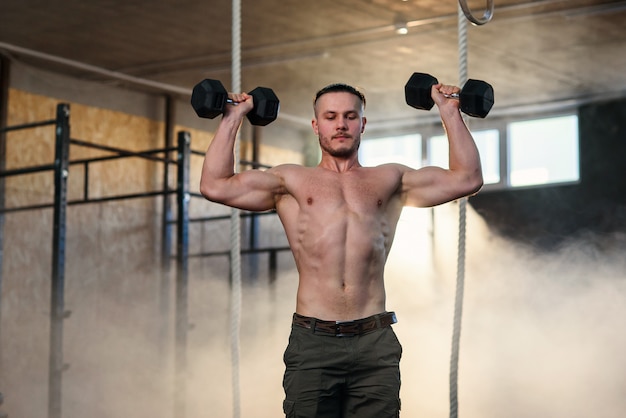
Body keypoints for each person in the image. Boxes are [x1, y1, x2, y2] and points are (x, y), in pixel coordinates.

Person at [199, 81, 483, 418]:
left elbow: (467, 179)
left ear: (362, 124)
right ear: (316, 125)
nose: (341, 124)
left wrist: (449, 110)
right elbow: (214, 185)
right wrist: (232, 117)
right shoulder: (289, 181)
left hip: (374, 341)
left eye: (350, 116)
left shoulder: (390, 179)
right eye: (331, 117)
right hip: (313, 341)